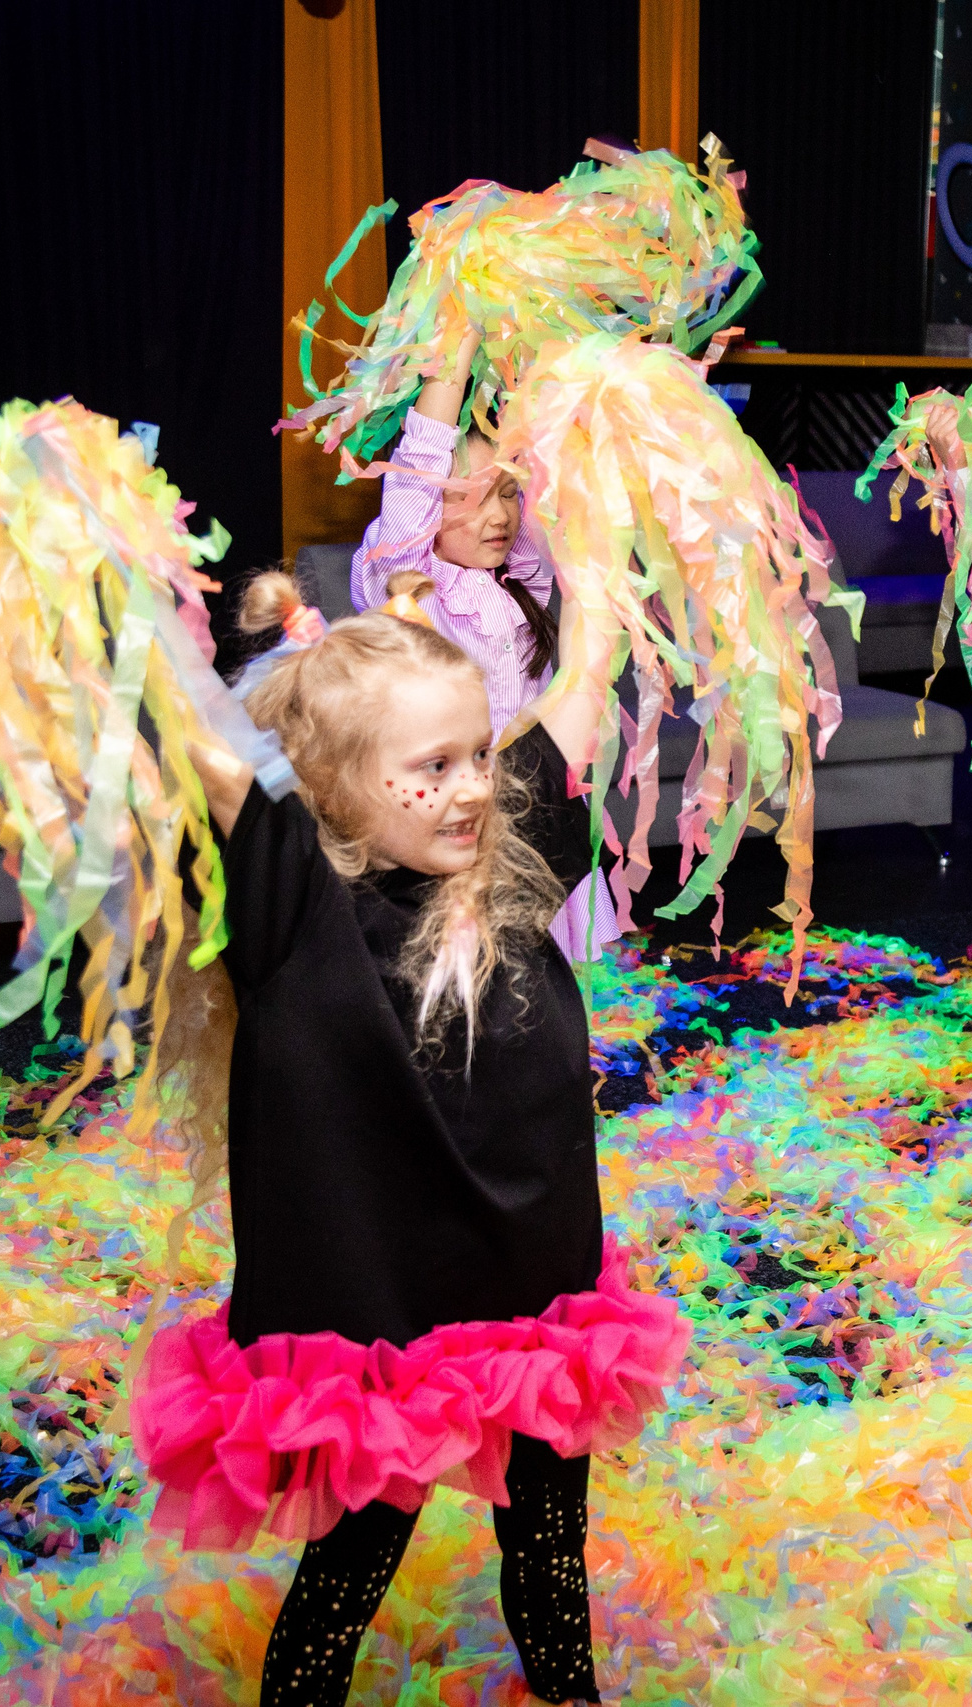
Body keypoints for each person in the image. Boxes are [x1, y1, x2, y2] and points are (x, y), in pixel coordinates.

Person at [127, 570, 685, 1706]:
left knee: (547, 1543)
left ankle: (568, 1693)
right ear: (332, 787)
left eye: (476, 754)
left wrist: (601, 483)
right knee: (351, 1565)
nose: (472, 789)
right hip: (385, 1317)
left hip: (533, 1293)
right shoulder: (295, 912)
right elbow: (207, 743)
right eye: (430, 769)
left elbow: (580, 680)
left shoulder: (507, 868)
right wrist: (108, 574)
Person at [351, 327, 621, 964]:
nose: (496, 515)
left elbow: (556, 482)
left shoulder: (517, 579)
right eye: (468, 499)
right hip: (458, 818)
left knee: (566, 984)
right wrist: (459, 333)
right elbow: (420, 463)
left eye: (504, 493)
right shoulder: (401, 576)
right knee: (485, 981)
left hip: (541, 809)